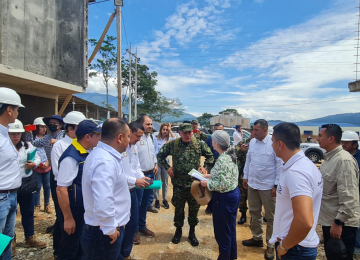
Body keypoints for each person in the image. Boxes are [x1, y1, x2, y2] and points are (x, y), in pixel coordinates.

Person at [270, 123, 323, 260]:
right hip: (297, 245)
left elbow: (304, 221)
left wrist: (284, 246)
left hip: (295, 248)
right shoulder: (305, 165)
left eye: (273, 142)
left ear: (280, 144)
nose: (271, 146)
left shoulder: (296, 172)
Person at [81, 118, 131, 260]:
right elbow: (103, 200)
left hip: (105, 230)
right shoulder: (105, 162)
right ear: (120, 138)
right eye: (128, 136)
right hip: (104, 234)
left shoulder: (104, 156)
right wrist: (110, 228)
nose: (129, 140)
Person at [157, 123, 214, 246]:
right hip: (178, 184)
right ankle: (178, 231)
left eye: (190, 132)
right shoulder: (174, 144)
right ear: (180, 133)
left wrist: (205, 168)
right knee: (179, 209)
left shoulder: (198, 144)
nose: (188, 135)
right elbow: (160, 155)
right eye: (186, 133)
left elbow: (210, 156)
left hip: (194, 184)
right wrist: (167, 167)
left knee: (194, 210)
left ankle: (192, 233)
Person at [56, 120, 101, 260]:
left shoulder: (87, 152)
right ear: (88, 137)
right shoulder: (71, 158)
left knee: (82, 247)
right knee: (70, 249)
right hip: (74, 211)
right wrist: (68, 218)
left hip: (84, 209)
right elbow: (61, 189)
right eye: (97, 135)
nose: (100, 138)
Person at [317, 124, 360, 260]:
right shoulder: (329, 158)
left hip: (342, 225)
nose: (317, 139)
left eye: (320, 136)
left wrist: (338, 223)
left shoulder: (344, 161)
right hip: (330, 221)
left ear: (331, 139)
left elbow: (349, 197)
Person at [242, 119, 282, 260]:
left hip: (268, 186)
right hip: (253, 184)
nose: (253, 132)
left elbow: (279, 165)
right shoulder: (252, 142)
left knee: (271, 217)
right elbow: (248, 161)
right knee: (254, 212)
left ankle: (271, 246)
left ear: (265, 130)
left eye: (256, 130)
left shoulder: (273, 143)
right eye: (253, 129)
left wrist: (276, 185)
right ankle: (257, 238)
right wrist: (245, 177)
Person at [49, 111, 85, 258]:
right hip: (64, 189)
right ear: (70, 128)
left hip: (78, 193)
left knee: (74, 229)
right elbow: (59, 176)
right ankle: (59, 250)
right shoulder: (60, 146)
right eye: (80, 127)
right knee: (64, 220)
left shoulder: (82, 145)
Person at [200, 130, 240, 260]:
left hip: (224, 198)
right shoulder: (230, 154)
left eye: (212, 140)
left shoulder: (222, 159)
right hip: (233, 195)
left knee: (222, 232)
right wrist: (210, 175)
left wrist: (207, 183)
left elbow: (222, 183)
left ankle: (224, 257)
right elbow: (226, 174)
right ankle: (231, 256)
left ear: (216, 143)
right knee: (230, 229)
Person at [8, 119, 47, 249]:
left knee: (28, 212)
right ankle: (9, 243)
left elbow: (37, 157)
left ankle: (29, 238)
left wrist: (34, 163)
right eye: (13, 133)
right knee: (8, 216)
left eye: (18, 133)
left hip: (26, 183)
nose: (16, 136)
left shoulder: (27, 145)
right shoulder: (4, 147)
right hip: (8, 186)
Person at [121, 121, 151, 259]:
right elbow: (118, 174)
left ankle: (126, 253)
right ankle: (118, 253)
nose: (139, 140)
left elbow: (136, 167)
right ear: (129, 133)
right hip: (121, 192)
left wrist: (142, 177)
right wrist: (135, 180)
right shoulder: (119, 148)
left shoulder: (133, 147)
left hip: (132, 190)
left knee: (133, 223)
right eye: (137, 136)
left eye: (141, 136)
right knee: (120, 225)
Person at [0, 87, 24, 259]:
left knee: (5, 240)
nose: (17, 113)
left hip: (10, 197)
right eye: (16, 109)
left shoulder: (4, 135)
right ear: (9, 110)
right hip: (1, 198)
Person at [133, 115, 158, 244]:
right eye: (147, 124)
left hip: (150, 175)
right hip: (139, 177)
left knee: (144, 204)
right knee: (136, 204)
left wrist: (155, 163)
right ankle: (134, 230)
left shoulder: (151, 137)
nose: (150, 126)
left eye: (151, 124)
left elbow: (153, 153)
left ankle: (142, 226)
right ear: (141, 124)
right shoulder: (135, 139)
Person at [341, 131, 360, 258]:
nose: (343, 145)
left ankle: (357, 247)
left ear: (355, 144)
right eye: (342, 142)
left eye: (346, 143)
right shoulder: (342, 158)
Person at [31, 117, 52, 214]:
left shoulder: (48, 139)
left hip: (46, 166)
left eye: (45, 127)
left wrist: (47, 163)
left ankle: (47, 205)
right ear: (37, 128)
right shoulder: (33, 140)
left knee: (47, 186)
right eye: (41, 127)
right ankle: (37, 206)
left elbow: (49, 153)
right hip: (36, 167)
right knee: (38, 187)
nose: (44, 129)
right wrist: (38, 164)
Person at [154, 123, 176, 209]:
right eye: (164, 129)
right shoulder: (156, 139)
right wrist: (155, 163)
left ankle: (164, 199)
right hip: (158, 163)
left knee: (165, 182)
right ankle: (156, 199)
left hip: (166, 164)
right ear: (160, 130)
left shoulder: (169, 141)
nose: (165, 131)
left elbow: (175, 138)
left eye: (167, 130)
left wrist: (170, 131)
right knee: (157, 182)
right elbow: (155, 151)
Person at [235, 125, 254, 225]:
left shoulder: (261, 144)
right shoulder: (243, 143)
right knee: (242, 197)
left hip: (255, 176)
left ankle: (254, 217)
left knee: (254, 199)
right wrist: (241, 151)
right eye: (253, 131)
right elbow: (234, 154)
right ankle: (243, 215)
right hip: (242, 175)